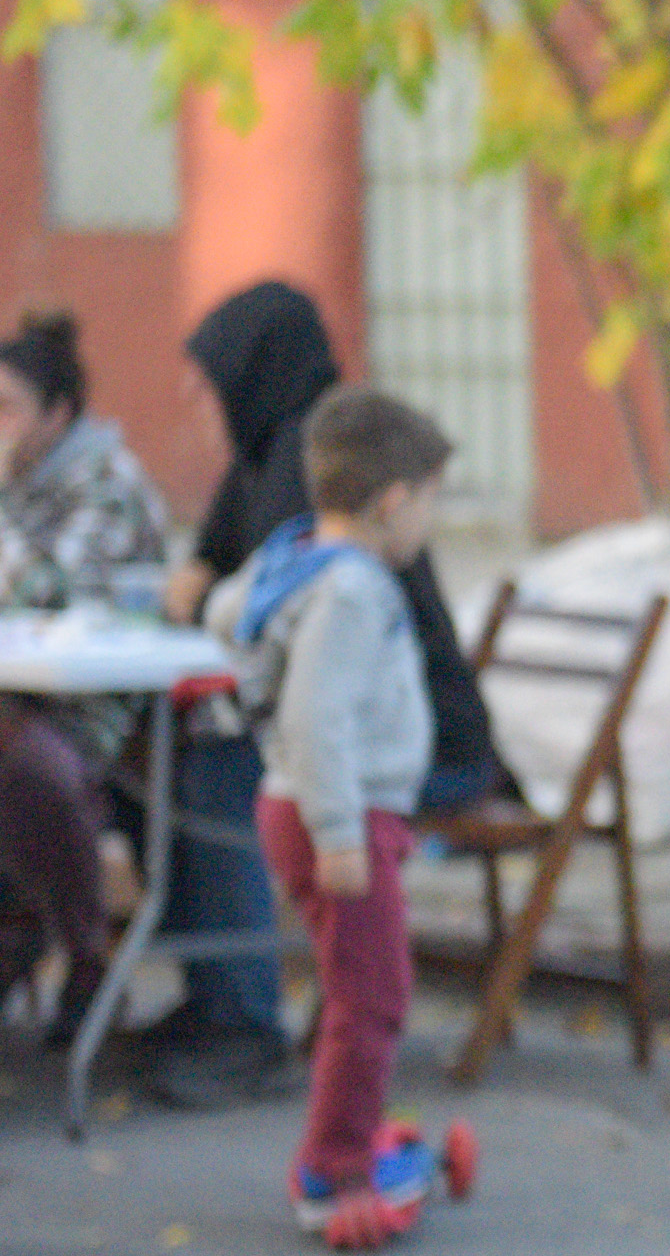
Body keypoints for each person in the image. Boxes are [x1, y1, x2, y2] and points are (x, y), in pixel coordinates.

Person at [144, 283, 511, 1105]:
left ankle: (244, 1022)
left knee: (220, 772)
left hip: (415, 753)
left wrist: (202, 597)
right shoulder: (273, 454)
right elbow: (216, 564)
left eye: (210, 383)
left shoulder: (318, 462)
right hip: (344, 744)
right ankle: (218, 999)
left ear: (252, 372)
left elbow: (257, 614)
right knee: (178, 764)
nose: (199, 405)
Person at [207, 388, 474, 1250]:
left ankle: (347, 1137)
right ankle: (334, 1167)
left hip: (314, 804)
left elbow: (222, 611)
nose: (428, 525)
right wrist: (340, 835)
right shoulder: (357, 589)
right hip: (339, 813)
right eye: (431, 503)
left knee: (361, 986)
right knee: (372, 996)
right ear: (394, 502)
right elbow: (316, 717)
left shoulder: (297, 557)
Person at [0, 311, 172, 1045]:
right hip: (16, 690)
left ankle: (84, 949)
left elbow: (50, 594)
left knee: (30, 767)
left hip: (90, 700)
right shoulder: (21, 475)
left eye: (6, 407)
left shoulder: (105, 480)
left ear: (58, 413)